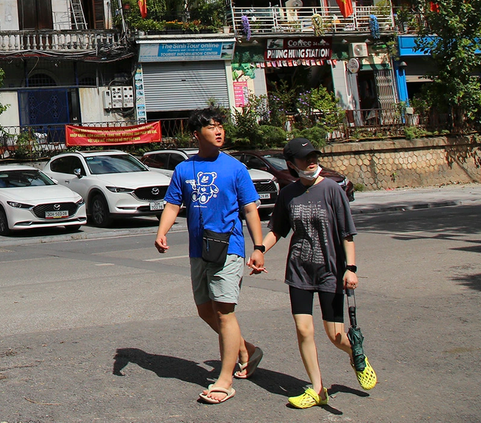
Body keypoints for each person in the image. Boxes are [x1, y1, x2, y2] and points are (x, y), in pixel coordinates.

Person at [252, 137, 376, 409]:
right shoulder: (288, 194)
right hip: (299, 270)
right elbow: (278, 230)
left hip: (331, 271)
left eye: (314, 157)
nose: (311, 162)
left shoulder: (332, 190)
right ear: (291, 164)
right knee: (303, 329)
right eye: (305, 159)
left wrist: (351, 269)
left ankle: (356, 354)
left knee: (334, 335)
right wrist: (260, 250)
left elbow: (347, 233)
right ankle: (317, 389)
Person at [154, 107, 266, 405]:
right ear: (196, 134)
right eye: (212, 127)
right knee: (205, 311)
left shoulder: (235, 168)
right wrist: (161, 231)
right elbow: (173, 205)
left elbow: (251, 209)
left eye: (220, 126)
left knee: (224, 313)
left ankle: (225, 380)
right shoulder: (184, 170)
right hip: (197, 249)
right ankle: (248, 350)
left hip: (228, 247)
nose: (219, 131)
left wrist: (259, 247)